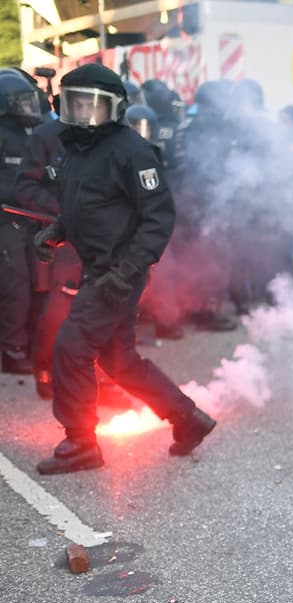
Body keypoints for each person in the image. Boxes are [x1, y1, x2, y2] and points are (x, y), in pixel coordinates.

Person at [31, 64, 215, 476]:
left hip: (118, 272)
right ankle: (188, 419)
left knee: (71, 349)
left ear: (115, 108)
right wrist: (57, 232)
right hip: (101, 268)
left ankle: (81, 443)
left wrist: (125, 272)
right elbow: (85, 205)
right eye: (75, 104)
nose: (84, 114)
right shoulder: (78, 148)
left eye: (92, 106)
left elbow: (158, 218)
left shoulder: (132, 151)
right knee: (119, 361)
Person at [0, 69, 43, 375]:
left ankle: (31, 342)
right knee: (16, 285)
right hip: (7, 220)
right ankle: (13, 349)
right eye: (21, 101)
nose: (29, 107)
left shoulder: (31, 133)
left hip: (31, 218)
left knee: (37, 282)